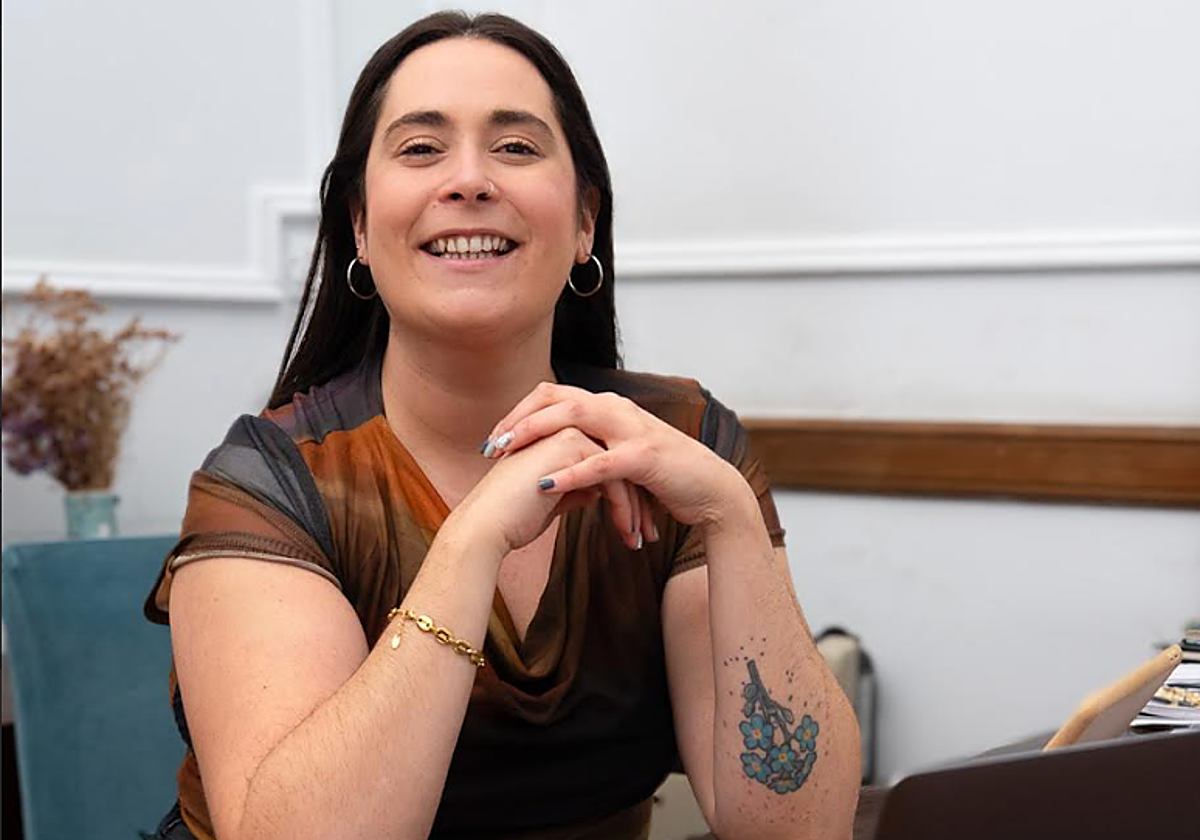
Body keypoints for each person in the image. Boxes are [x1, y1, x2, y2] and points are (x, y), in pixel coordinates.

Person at [144, 11, 860, 840]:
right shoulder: (266, 484)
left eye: (516, 147)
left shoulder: (683, 444)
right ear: (360, 226)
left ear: (585, 221)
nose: (469, 180)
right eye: (421, 148)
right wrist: (471, 541)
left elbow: (796, 830)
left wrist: (732, 517)